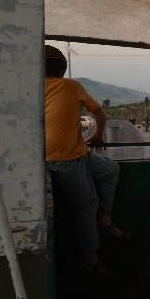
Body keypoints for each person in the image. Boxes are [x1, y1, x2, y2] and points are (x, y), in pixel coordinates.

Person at [44, 45, 121, 273]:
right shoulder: (72, 85)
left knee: (110, 170)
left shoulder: (35, 87)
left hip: (76, 153)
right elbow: (99, 113)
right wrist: (97, 136)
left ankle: (105, 220)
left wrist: (91, 138)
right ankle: (91, 258)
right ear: (62, 69)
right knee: (86, 204)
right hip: (65, 158)